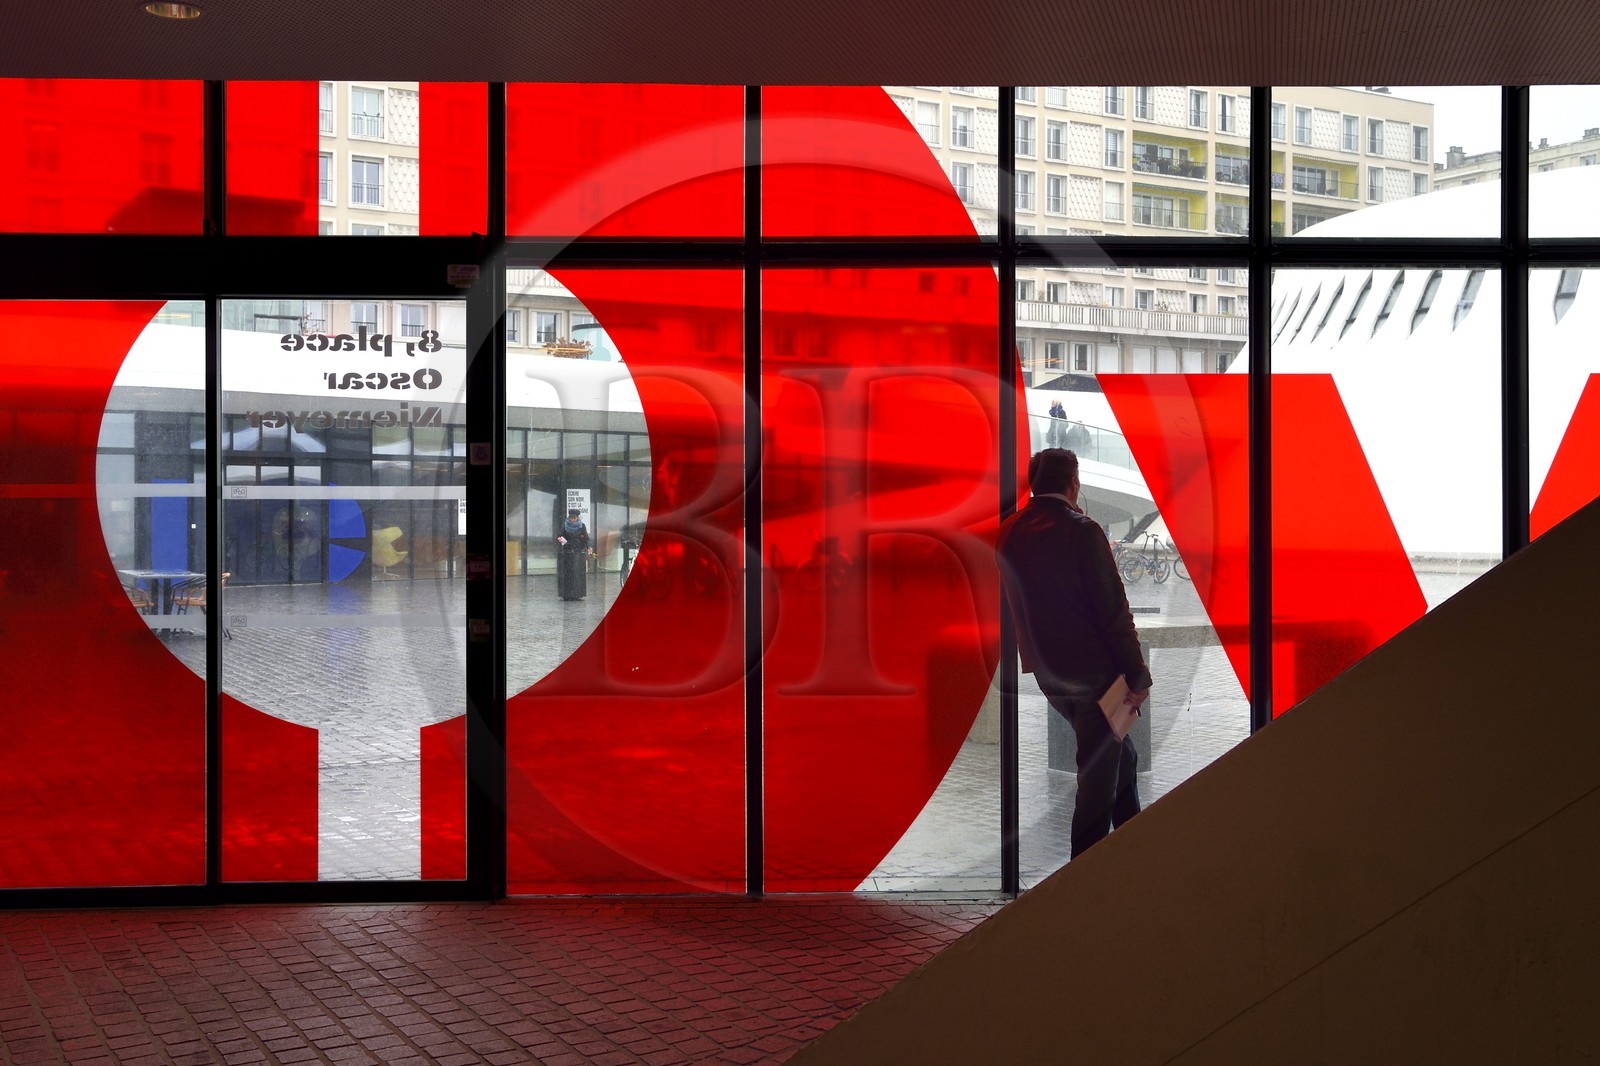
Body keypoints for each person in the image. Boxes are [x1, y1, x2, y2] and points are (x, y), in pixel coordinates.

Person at [996, 448, 1151, 857]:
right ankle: (1082, 888)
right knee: (1096, 789)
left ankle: (1134, 858)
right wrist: (1137, 675)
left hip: (1051, 677)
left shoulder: (1009, 532)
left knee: (1123, 759)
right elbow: (1112, 609)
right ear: (1073, 483)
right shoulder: (1083, 530)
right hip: (1097, 678)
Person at [556, 507, 590, 601]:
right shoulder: (564, 526)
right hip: (567, 553)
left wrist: (588, 546)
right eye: (571, 518)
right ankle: (567, 594)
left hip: (578, 553)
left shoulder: (582, 526)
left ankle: (578, 593)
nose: (572, 520)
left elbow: (586, 538)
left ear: (577, 518)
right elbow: (559, 536)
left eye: (574, 518)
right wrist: (564, 542)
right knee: (568, 573)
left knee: (577, 573)